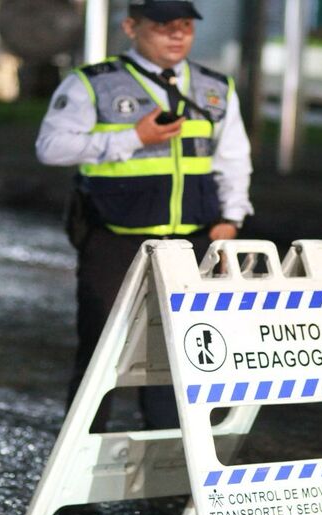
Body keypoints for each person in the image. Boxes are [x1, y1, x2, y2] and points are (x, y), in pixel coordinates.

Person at [36, 0, 253, 429]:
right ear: (131, 27)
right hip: (116, 241)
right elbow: (50, 148)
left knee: (181, 357)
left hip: (194, 243)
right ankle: (78, 472)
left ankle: (166, 474)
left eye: (186, 26)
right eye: (164, 26)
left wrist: (230, 222)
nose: (177, 35)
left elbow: (233, 160)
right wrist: (132, 136)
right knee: (101, 355)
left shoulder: (215, 88)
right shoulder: (93, 84)